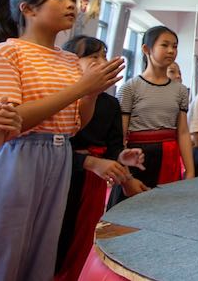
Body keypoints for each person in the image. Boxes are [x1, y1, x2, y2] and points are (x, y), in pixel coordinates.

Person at [0, 0, 124, 280]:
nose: (71, 4)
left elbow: (74, 125)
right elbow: (8, 123)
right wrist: (80, 88)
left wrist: (92, 92)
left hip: (57, 155)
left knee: (42, 250)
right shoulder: (5, 52)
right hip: (15, 154)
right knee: (1, 248)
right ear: (28, 9)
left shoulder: (70, 61)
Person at [55, 35, 146, 281]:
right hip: (60, 175)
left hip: (93, 182)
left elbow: (113, 147)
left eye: (104, 56)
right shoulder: (61, 98)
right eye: (93, 56)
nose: (101, 62)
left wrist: (124, 159)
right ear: (71, 61)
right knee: (57, 236)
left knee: (82, 237)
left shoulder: (109, 103)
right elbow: (56, 146)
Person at [108, 26, 194, 207]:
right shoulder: (130, 88)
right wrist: (126, 176)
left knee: (165, 210)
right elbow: (120, 136)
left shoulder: (180, 90)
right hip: (138, 158)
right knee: (132, 210)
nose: (171, 50)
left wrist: (190, 170)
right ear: (146, 49)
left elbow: (183, 133)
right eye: (165, 45)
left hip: (169, 156)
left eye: (175, 46)